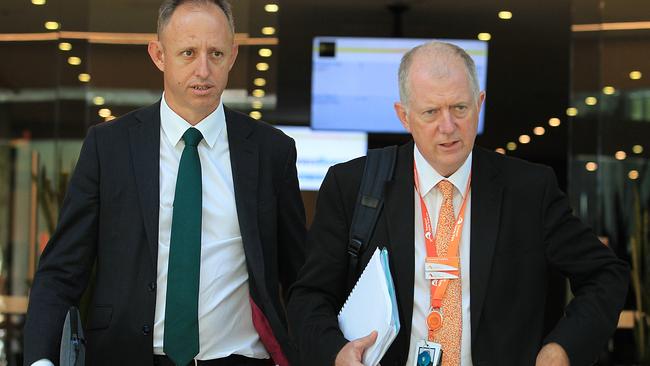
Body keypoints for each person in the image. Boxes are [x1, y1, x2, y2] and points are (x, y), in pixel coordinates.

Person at [287, 41, 629, 366]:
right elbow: (310, 298)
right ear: (404, 116)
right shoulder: (352, 185)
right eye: (431, 112)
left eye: (460, 108)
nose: (448, 127)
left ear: (479, 103)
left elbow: (606, 274)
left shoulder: (528, 190)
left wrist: (562, 349)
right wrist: (336, 354)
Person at [23, 1, 305, 365]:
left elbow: (300, 278)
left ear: (233, 55)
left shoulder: (272, 152)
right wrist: (41, 360)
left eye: (216, 53)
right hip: (127, 357)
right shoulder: (108, 147)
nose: (203, 69)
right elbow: (62, 271)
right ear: (158, 55)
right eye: (188, 52)